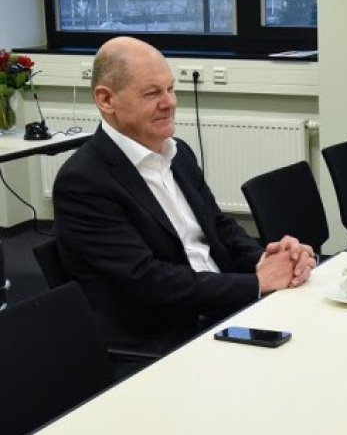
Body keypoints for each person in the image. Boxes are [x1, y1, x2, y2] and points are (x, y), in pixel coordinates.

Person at [53, 36, 317, 357]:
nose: (169, 103)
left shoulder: (178, 153)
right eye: (152, 93)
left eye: (170, 88)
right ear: (106, 99)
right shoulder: (84, 181)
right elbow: (147, 282)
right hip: (167, 338)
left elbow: (219, 227)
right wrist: (257, 283)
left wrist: (268, 260)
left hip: (223, 310)